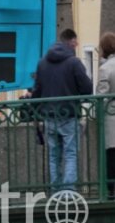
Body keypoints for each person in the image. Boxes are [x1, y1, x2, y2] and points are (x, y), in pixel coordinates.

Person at [31, 28, 93, 191]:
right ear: (71, 42)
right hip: (69, 113)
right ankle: (68, 192)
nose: (77, 45)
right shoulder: (74, 62)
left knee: (53, 156)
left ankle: (55, 191)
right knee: (71, 153)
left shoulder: (42, 62)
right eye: (76, 42)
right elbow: (87, 88)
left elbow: (37, 91)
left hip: (49, 115)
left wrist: (35, 109)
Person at [95, 31, 115, 198]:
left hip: (112, 117)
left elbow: (102, 97)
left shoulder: (105, 69)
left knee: (112, 154)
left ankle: (111, 190)